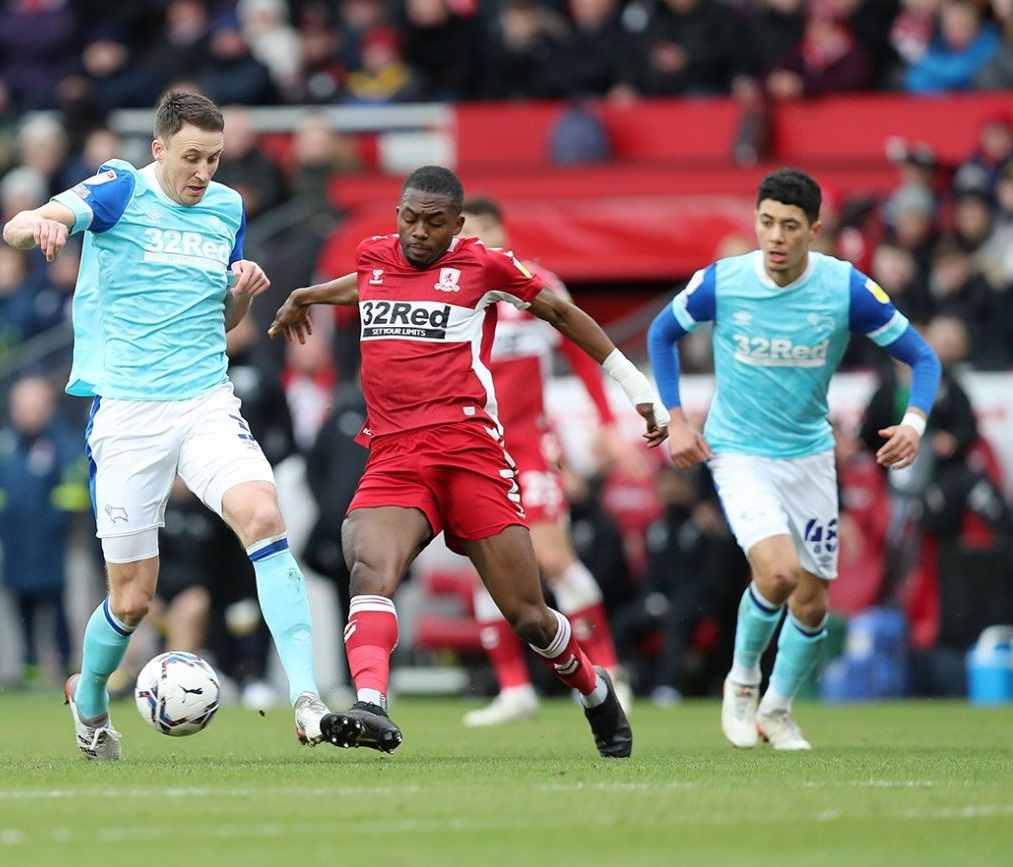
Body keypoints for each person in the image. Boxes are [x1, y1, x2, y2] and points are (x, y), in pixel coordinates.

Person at [270, 165, 668, 757]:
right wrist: (308, 293)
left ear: (456, 226)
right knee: (369, 566)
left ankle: (593, 688)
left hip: (469, 454)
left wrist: (634, 385)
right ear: (397, 214)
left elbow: (560, 314)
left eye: (435, 223)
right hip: (394, 454)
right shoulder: (374, 255)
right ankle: (371, 705)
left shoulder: (484, 266)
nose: (419, 233)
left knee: (530, 615)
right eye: (409, 218)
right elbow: (368, 282)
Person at [2, 89, 341, 760]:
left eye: (213, 158)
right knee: (132, 599)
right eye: (191, 157)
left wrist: (239, 297)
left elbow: (221, 323)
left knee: (265, 517)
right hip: (128, 413)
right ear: (158, 149)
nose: (203, 172)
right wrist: (40, 224)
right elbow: (19, 223)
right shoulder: (119, 189)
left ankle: (309, 699)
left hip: (205, 402)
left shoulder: (227, 208)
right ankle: (92, 699)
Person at [647, 167, 941, 750]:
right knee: (778, 574)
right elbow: (660, 334)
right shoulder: (724, 281)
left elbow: (924, 357)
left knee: (812, 604)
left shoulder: (846, 288)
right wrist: (677, 420)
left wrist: (914, 422)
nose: (775, 236)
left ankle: (778, 710)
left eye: (788, 225)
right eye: (765, 222)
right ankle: (742, 682)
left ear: (815, 230)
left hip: (809, 455)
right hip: (737, 452)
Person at [457, 195, 632, 726]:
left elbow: (579, 350)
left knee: (553, 559)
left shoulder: (538, 283)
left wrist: (606, 420)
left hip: (530, 445)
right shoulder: (451, 290)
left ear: (503, 231)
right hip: (473, 446)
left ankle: (610, 670)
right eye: (471, 232)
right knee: (482, 570)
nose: (480, 241)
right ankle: (515, 690)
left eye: (488, 230)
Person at [0, 376, 88, 686]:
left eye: (34, 407)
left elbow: (73, 490)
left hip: (48, 542)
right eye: (22, 407)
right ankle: (27, 666)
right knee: (20, 602)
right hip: (14, 541)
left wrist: (55, 522)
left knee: (54, 603)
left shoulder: (62, 443)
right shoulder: (5, 443)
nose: (27, 414)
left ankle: (66, 666)